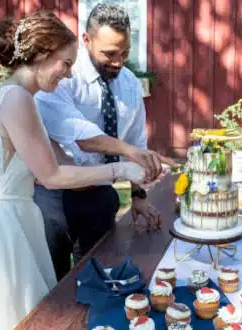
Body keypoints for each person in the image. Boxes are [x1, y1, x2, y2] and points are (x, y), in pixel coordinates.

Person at [0, 11, 147, 330]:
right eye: (66, 64)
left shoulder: (14, 96)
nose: (68, 75)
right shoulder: (17, 99)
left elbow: (56, 165)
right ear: (42, 55)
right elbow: (53, 176)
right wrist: (121, 169)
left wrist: (122, 177)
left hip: (3, 219)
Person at [34, 3, 176, 281]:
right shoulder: (61, 78)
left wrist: (138, 196)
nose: (118, 62)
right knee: (53, 283)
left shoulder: (131, 84)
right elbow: (80, 135)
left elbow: (137, 140)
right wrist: (126, 150)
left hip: (100, 195)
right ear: (87, 40)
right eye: (109, 53)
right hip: (53, 198)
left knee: (98, 277)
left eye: (124, 53)